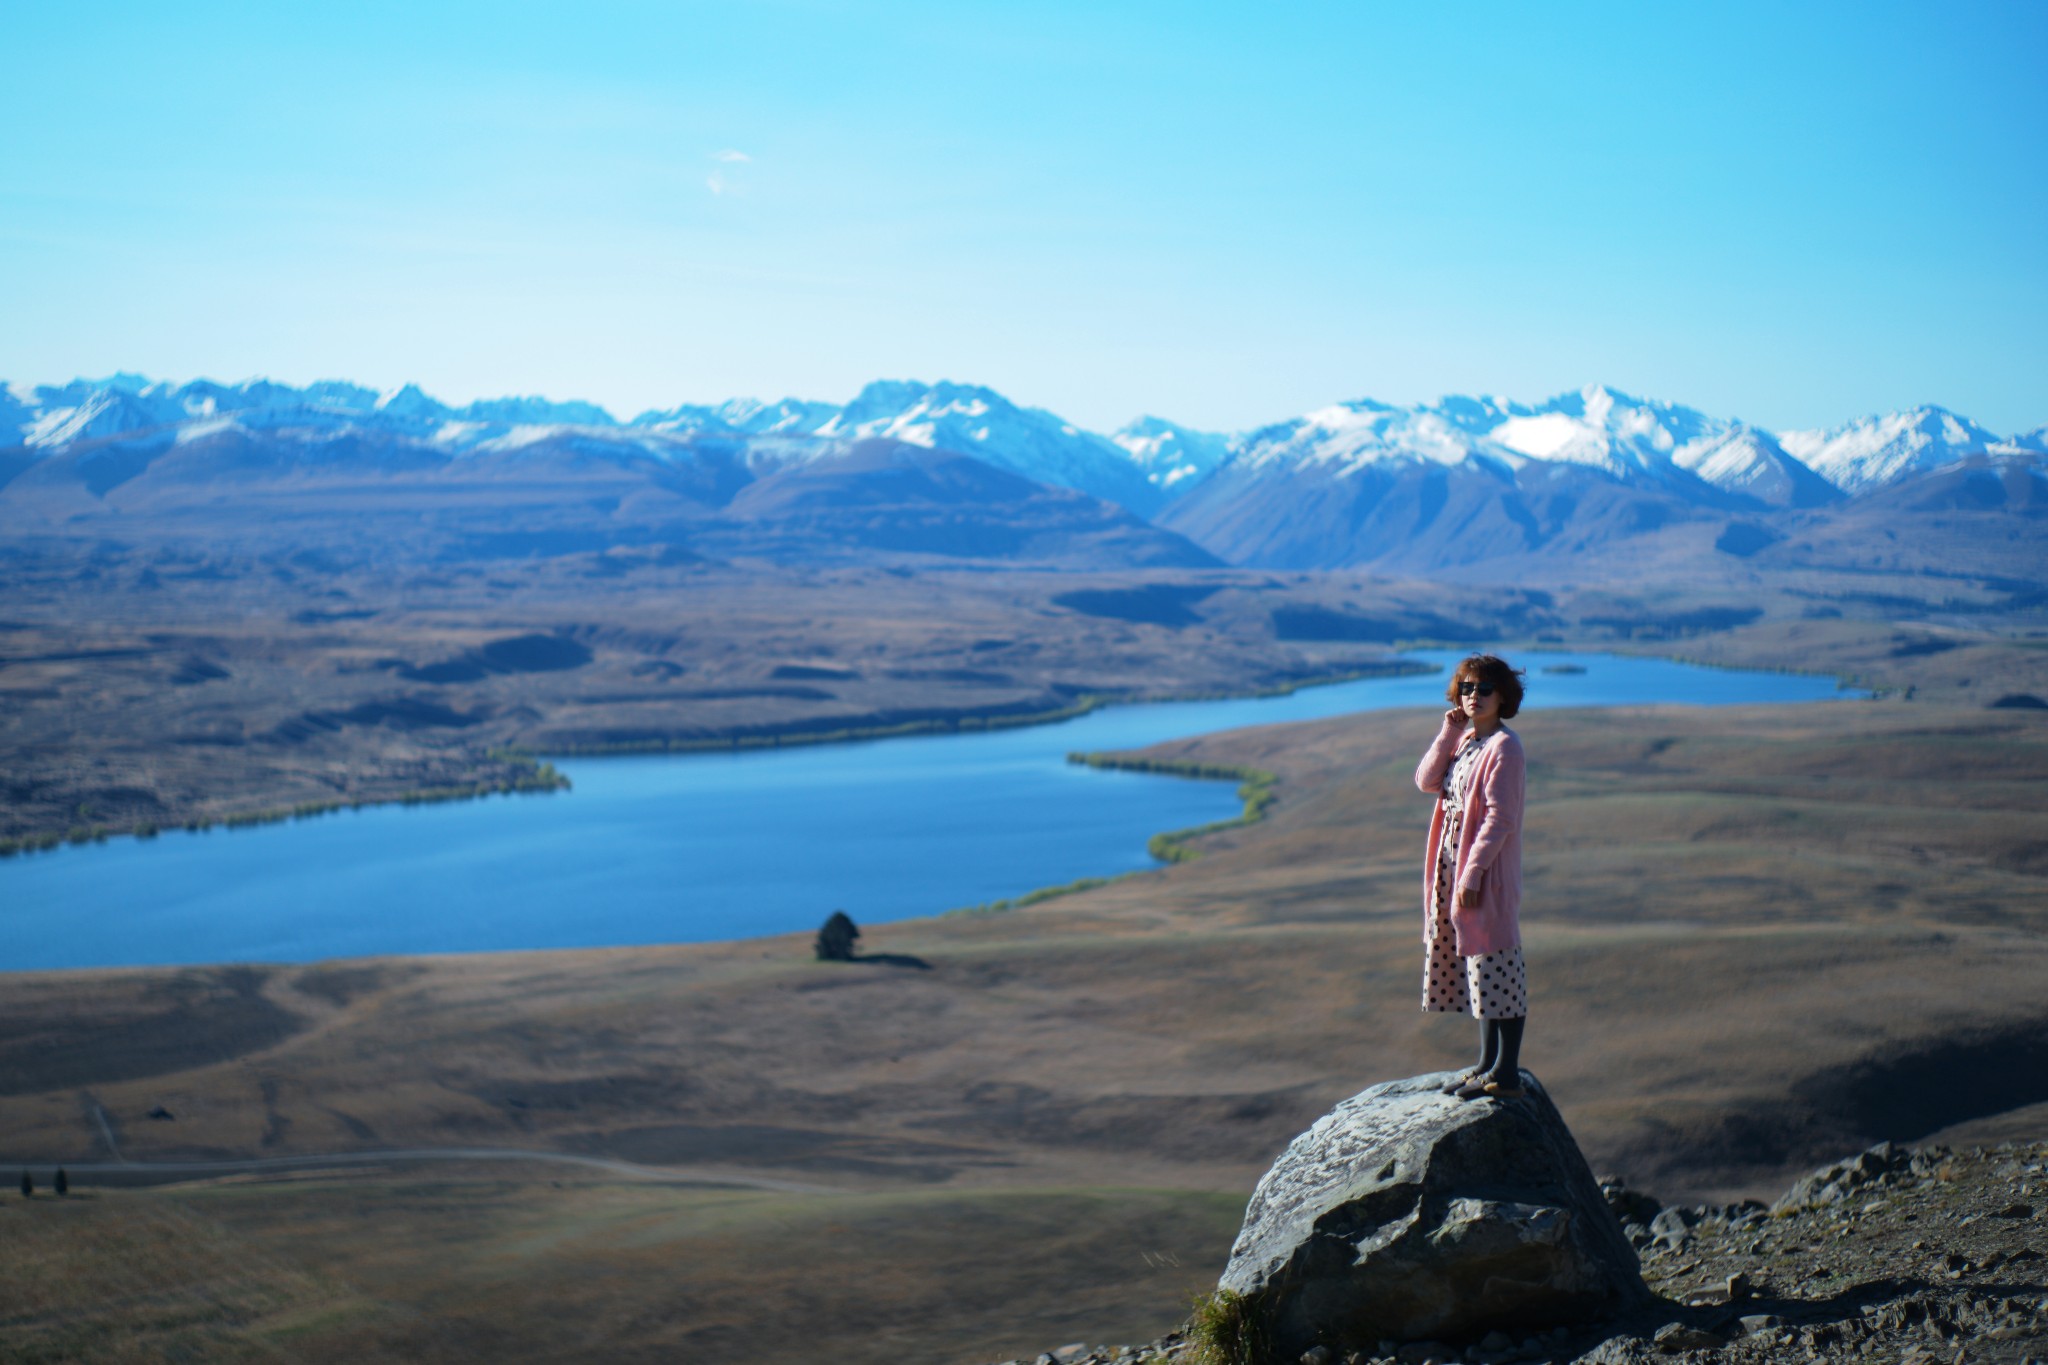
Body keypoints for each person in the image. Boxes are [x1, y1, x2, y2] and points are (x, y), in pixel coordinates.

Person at [1413, 653, 1529, 1100]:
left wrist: (1473, 874)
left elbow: (1500, 819)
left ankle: (1508, 1072)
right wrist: (1449, 729)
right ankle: (1485, 1063)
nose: (1473, 696)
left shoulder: (1505, 747)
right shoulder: (1465, 742)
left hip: (1484, 872)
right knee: (1477, 965)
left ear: (1503, 696)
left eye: (1483, 689)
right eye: (1466, 688)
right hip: (1451, 865)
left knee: (1498, 960)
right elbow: (1426, 781)